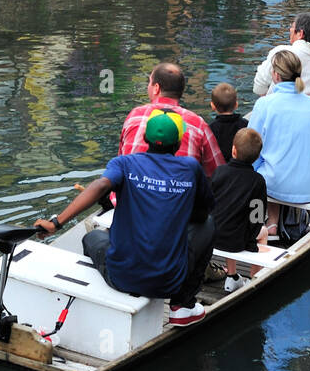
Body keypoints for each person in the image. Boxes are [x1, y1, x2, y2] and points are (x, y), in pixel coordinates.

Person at [36, 109, 215, 326]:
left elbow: (101, 185)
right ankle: (183, 304)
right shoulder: (190, 168)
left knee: (91, 239)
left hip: (121, 277)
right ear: (178, 143)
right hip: (169, 282)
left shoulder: (124, 164)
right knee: (207, 224)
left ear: (145, 139)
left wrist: (56, 223)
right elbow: (202, 213)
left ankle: (97, 303)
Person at [248, 50, 310, 235]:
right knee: (302, 157)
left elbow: (252, 147)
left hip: (276, 184)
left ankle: (271, 221)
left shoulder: (265, 104)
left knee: (261, 166)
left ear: (275, 75)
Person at [119, 61, 225, 177]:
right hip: (181, 192)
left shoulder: (135, 115)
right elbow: (218, 173)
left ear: (156, 88)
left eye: (149, 82)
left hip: (132, 192)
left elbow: (121, 161)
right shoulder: (198, 124)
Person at [212, 127, 269, 292]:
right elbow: (257, 216)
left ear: (233, 150)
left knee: (229, 220)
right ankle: (253, 277)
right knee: (263, 232)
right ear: (257, 156)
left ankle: (232, 275)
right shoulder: (257, 180)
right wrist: (252, 242)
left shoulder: (219, 171)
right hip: (237, 240)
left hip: (214, 233)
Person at [253, 12, 310, 104]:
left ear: (300, 33)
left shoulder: (281, 53)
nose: (290, 30)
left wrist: (266, 103)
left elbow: (259, 86)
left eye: (292, 27)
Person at [208, 82, 247, 163]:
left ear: (213, 106)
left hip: (218, 169)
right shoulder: (245, 125)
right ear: (236, 105)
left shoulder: (210, 129)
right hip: (240, 167)